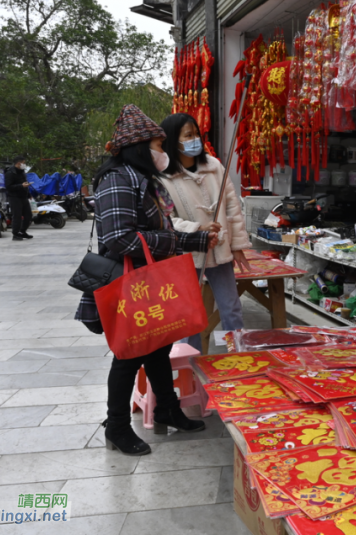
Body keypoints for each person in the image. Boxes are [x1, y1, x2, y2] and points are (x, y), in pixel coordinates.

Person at [74, 105, 218, 456]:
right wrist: (174, 241)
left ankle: (167, 408)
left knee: (159, 345)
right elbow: (119, 238)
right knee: (128, 354)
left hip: (149, 279)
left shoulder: (143, 180)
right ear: (140, 147)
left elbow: (160, 229)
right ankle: (117, 427)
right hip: (130, 282)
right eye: (157, 144)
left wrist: (198, 238)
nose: (162, 151)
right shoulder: (117, 179)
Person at [157, 113, 252, 351]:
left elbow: (232, 206)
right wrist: (196, 228)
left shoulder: (214, 167)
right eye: (187, 135)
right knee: (188, 312)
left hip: (219, 248)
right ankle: (189, 364)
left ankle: (238, 356)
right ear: (171, 141)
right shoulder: (161, 177)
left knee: (231, 307)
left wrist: (238, 245)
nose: (194, 139)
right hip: (186, 251)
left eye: (196, 134)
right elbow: (164, 218)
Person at [4, 156, 33, 240]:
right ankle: (15, 234)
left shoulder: (22, 172)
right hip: (14, 197)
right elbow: (8, 187)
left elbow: (24, 183)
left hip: (23, 196)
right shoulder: (10, 173)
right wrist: (21, 186)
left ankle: (22, 231)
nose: (25, 165)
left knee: (28, 215)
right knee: (17, 216)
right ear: (18, 163)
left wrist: (28, 194)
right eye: (24, 163)